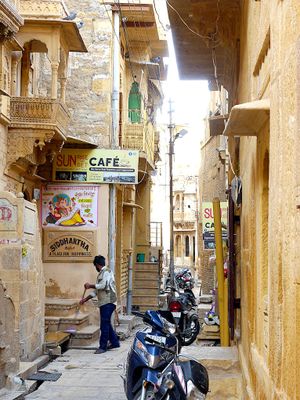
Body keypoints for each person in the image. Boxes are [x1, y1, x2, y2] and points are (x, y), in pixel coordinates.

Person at [79, 255, 120, 354]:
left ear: (97, 265)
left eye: (95, 266)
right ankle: (114, 342)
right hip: (105, 302)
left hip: (108, 302)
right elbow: (97, 291)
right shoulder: (102, 274)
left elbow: (103, 285)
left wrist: (90, 285)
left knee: (104, 324)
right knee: (106, 323)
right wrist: (85, 299)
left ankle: (103, 347)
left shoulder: (106, 272)